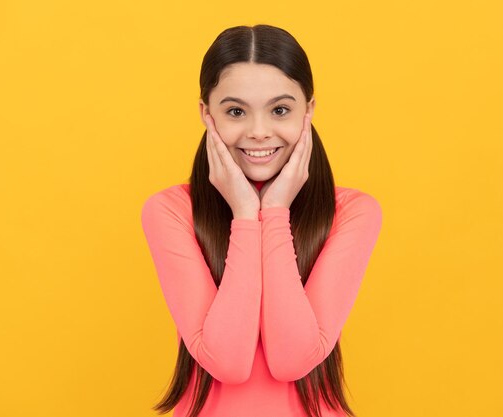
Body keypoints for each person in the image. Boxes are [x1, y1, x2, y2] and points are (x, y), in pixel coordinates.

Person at [140, 24, 383, 417]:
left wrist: (274, 212)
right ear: (207, 114)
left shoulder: (353, 212)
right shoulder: (170, 211)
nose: (257, 132)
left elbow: (292, 359)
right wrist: (244, 215)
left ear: (310, 110)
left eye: (280, 110)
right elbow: (228, 362)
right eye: (236, 111)